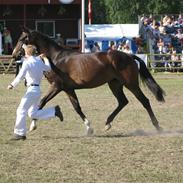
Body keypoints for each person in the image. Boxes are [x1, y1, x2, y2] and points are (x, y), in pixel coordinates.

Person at [7, 44, 63, 140]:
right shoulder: (39, 62)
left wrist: (12, 85)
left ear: (26, 53)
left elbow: (20, 75)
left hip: (31, 90)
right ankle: (54, 111)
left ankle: (20, 134)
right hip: (37, 90)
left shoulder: (27, 63)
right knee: (32, 113)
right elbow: (48, 68)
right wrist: (44, 58)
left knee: (21, 110)